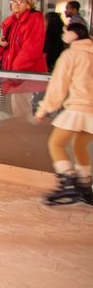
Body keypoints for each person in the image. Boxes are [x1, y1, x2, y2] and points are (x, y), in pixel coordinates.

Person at [33, 22, 93, 205]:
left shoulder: (71, 55)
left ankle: (68, 184)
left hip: (78, 108)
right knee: (79, 146)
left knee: (56, 144)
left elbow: (58, 85)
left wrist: (44, 108)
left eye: (65, 31)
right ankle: (84, 185)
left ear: (72, 35)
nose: (63, 34)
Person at [0, 0, 48, 117]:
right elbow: (3, 51)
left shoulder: (34, 19)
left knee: (21, 109)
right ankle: (11, 135)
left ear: (29, 5)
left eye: (21, 1)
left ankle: (22, 135)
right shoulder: (11, 22)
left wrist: (16, 73)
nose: (16, 4)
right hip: (10, 73)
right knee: (6, 111)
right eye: (14, 1)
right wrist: (0, 44)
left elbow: (31, 49)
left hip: (22, 74)